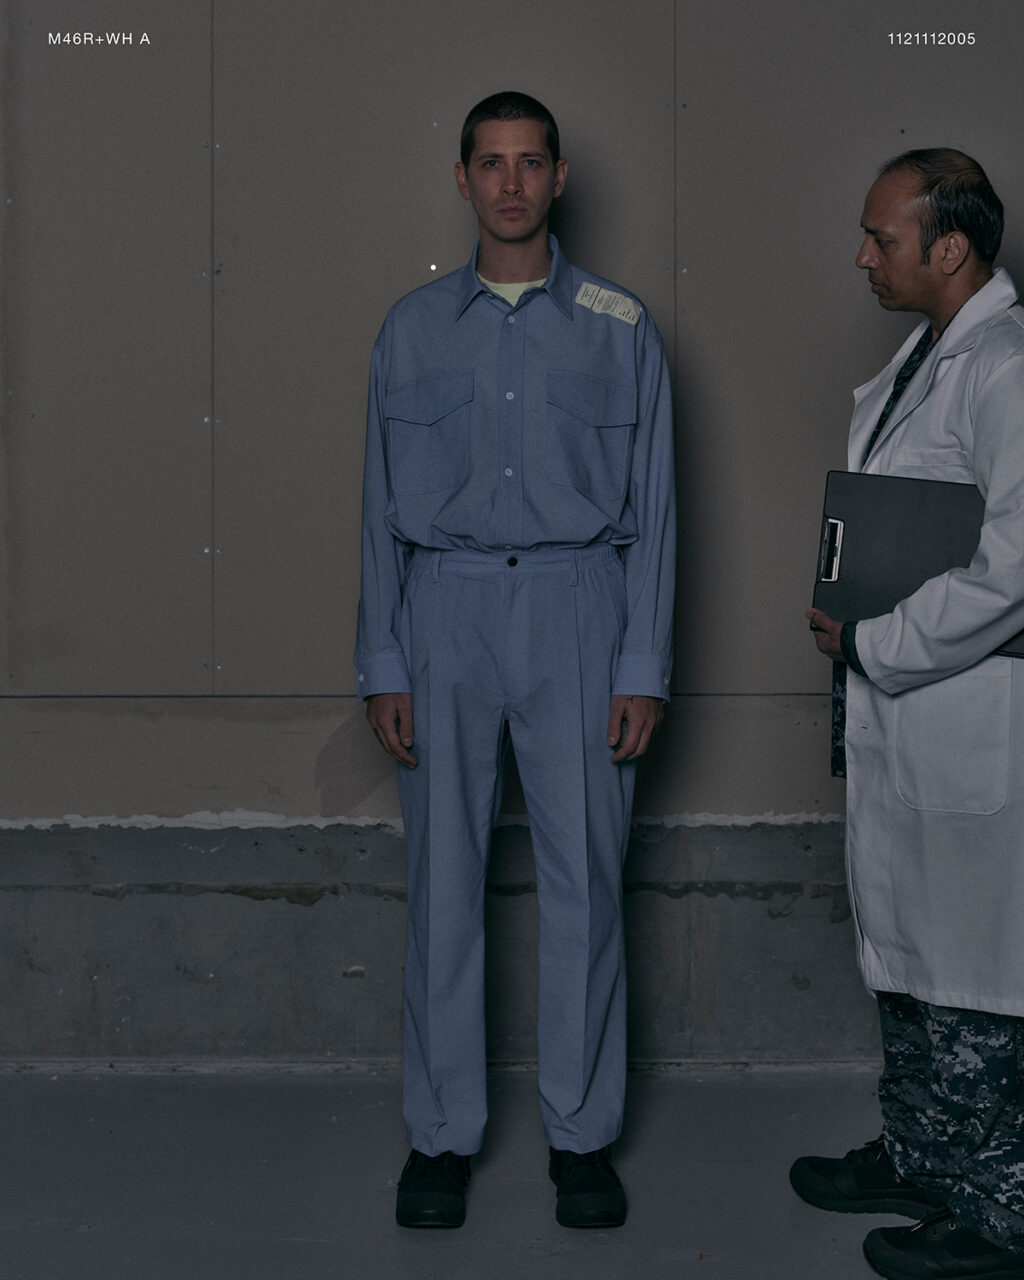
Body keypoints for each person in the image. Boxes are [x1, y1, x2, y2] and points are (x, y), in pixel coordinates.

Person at [354, 91, 675, 1229]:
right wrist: (383, 660)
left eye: (529, 162)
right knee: (443, 888)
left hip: (578, 608)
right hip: (442, 613)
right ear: (462, 179)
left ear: (559, 176)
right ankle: (440, 1137)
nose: (509, 183)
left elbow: (657, 509)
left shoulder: (621, 327)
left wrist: (641, 663)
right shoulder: (410, 329)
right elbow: (376, 511)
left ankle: (581, 1137)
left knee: (586, 882)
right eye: (489, 163)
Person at [798, 149, 1024, 1280]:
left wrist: (878, 640)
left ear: (951, 247)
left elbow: (1014, 562)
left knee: (974, 973)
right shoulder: (930, 354)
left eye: (881, 238)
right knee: (908, 952)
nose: (862, 257)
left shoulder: (1006, 368)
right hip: (904, 717)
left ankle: (1000, 1217)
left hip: (965, 710)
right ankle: (926, 1157)